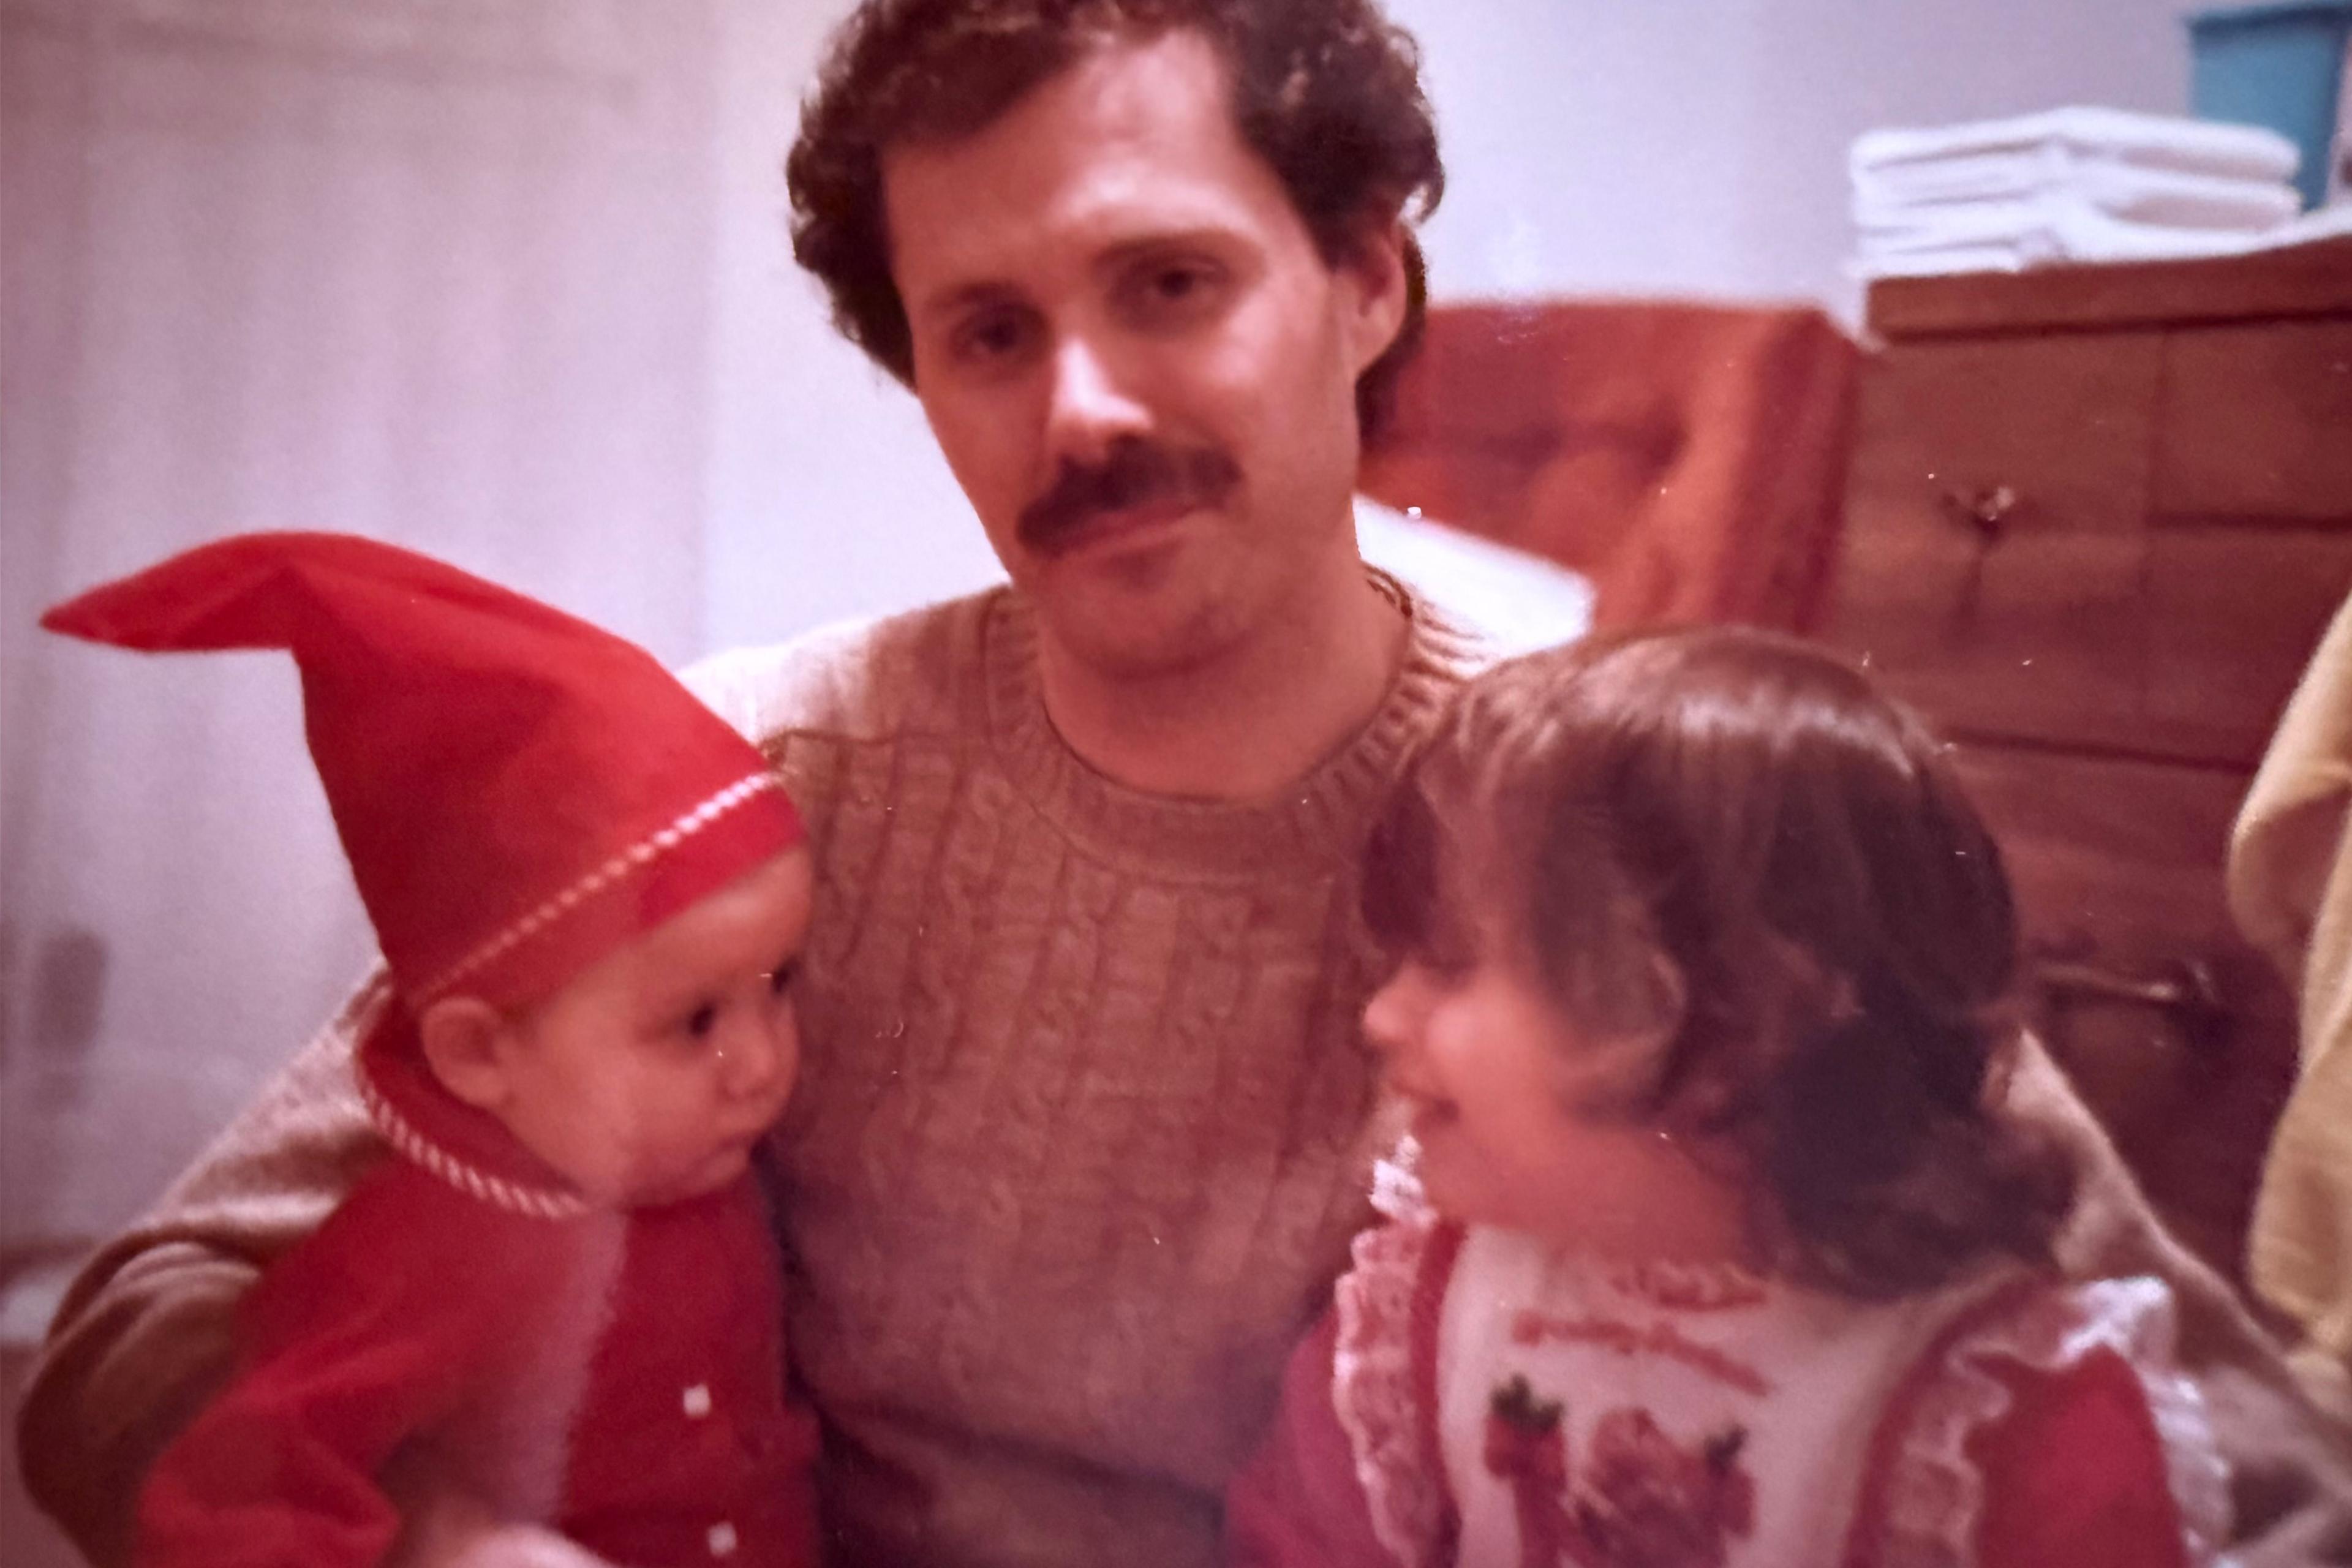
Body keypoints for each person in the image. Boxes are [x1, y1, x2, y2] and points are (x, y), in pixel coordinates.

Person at [15, 5, 2348, 1567]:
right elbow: (148, 1317)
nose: (1082, 413)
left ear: (1364, 280)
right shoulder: (750, 786)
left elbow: (2244, 1462)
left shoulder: (1642, 830)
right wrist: (446, 1544)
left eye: (1166, 285)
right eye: (989, 333)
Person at [1228, 628, 2233, 1566]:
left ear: (1731, 1024)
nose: (1381, 1016)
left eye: (1449, 964)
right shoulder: (1430, 1308)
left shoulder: (1991, 1409)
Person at [39, 533, 821, 1568]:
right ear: (479, 1055)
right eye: (696, 1022)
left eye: (781, 984)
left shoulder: (691, 1162)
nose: (762, 1063)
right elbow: (241, 1489)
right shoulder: (425, 1255)